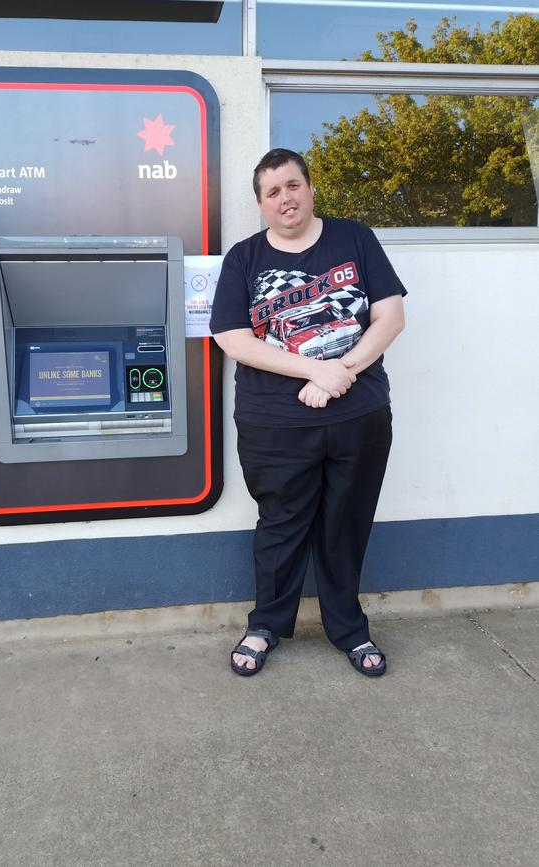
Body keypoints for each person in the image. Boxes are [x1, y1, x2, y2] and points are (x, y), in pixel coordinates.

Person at [209, 148, 406, 678]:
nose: (285, 198)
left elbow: (390, 316)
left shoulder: (355, 238)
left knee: (346, 525)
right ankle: (266, 624)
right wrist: (312, 371)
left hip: (358, 418)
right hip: (273, 424)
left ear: (310, 188)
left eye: (292, 185)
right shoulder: (244, 258)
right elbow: (232, 337)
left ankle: (349, 628)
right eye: (272, 192)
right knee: (280, 525)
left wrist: (343, 369)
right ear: (260, 204)